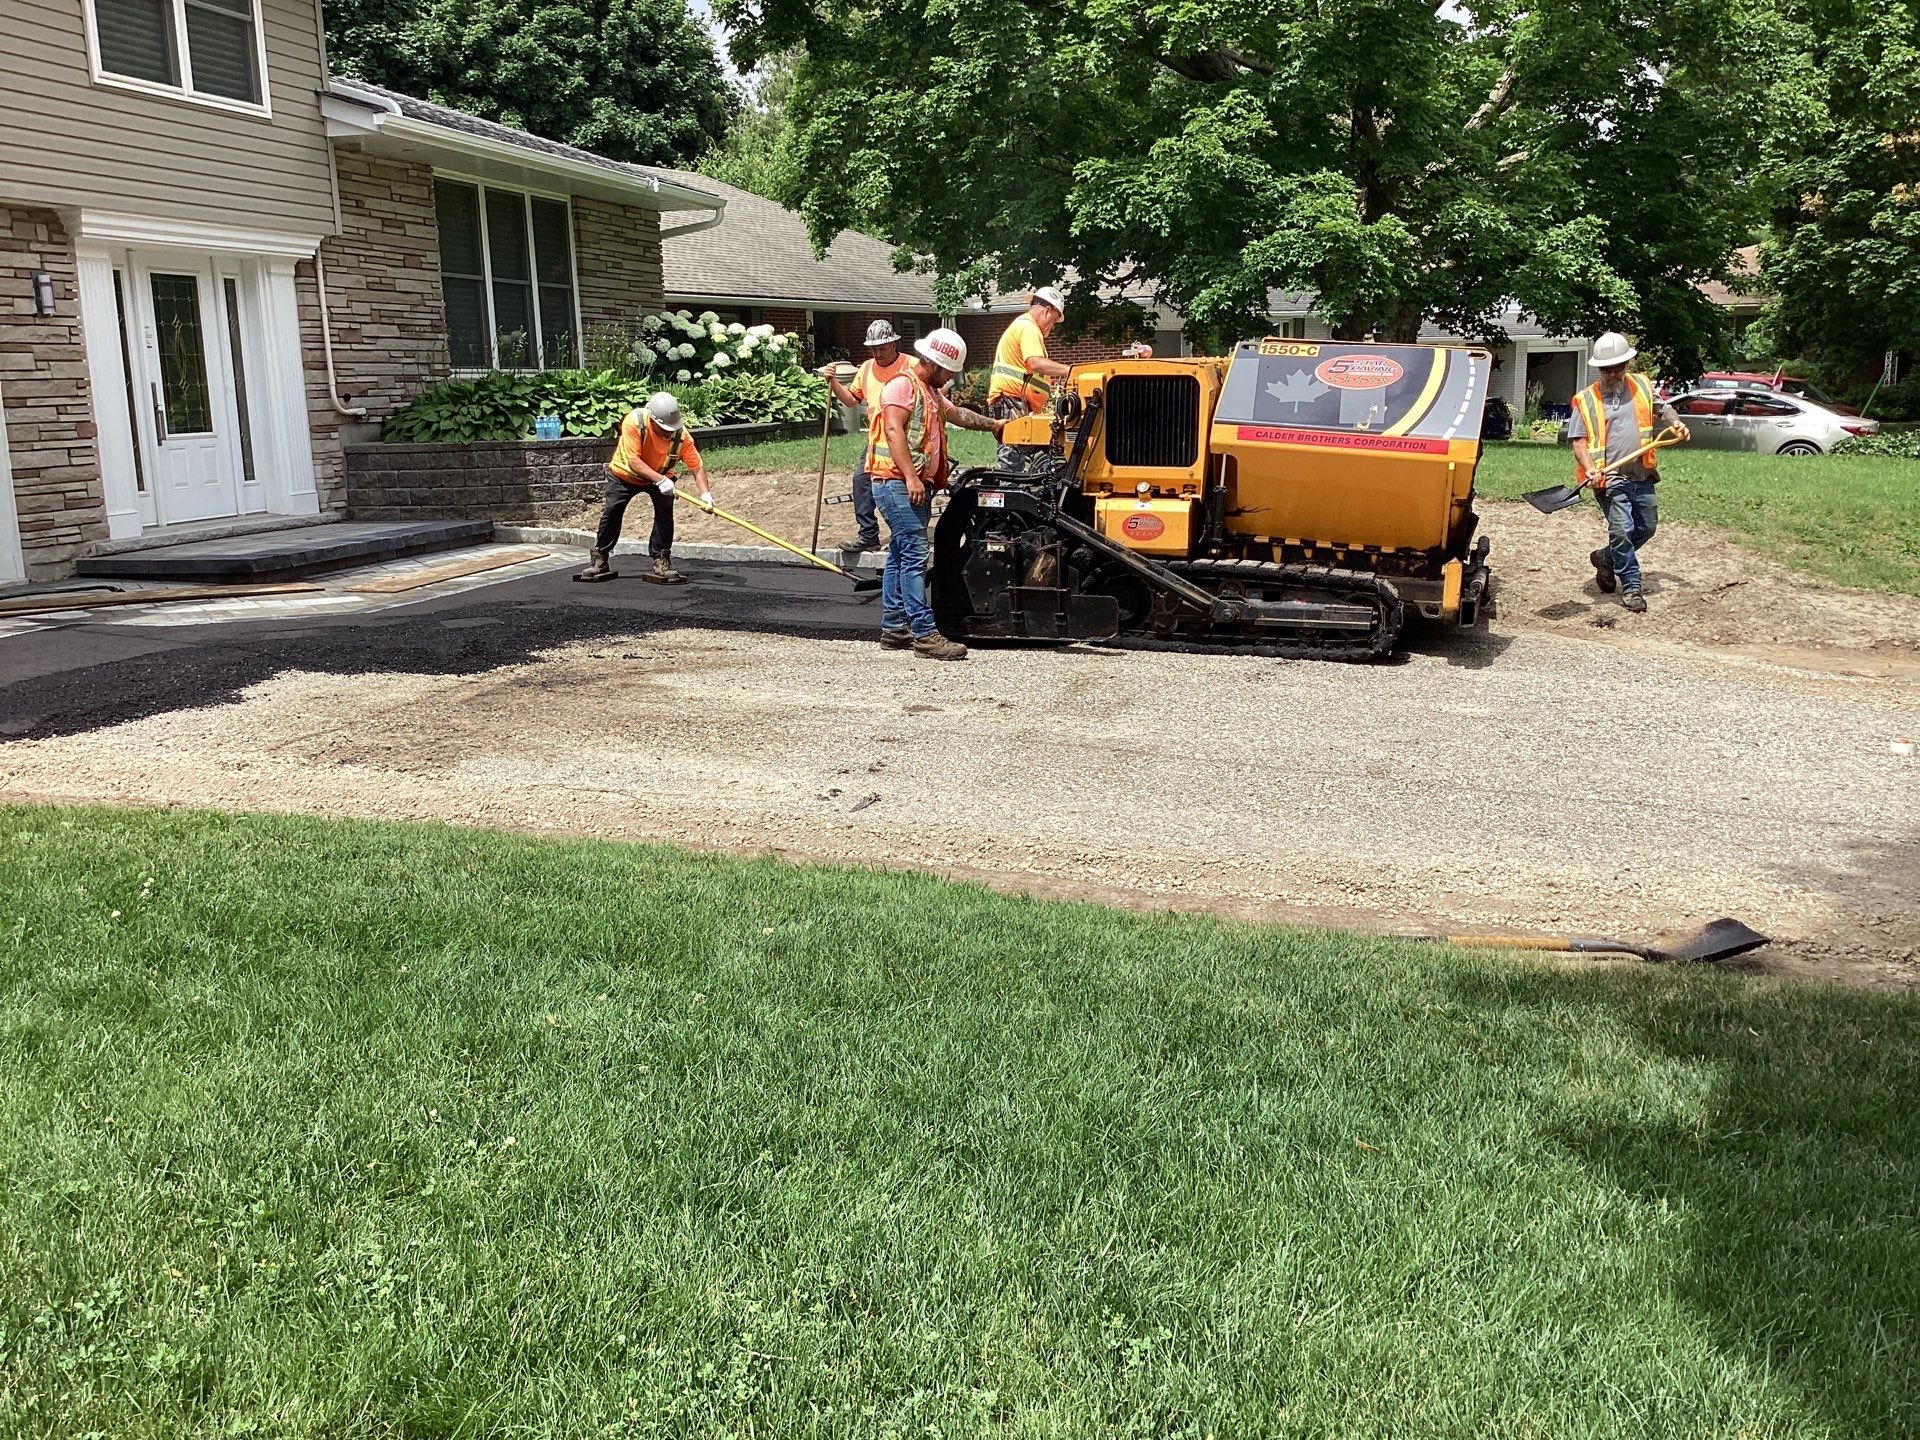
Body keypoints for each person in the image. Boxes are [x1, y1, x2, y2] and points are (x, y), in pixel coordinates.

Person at [867, 327, 1004, 660]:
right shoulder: (902, 386)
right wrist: (911, 478)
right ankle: (924, 634)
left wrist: (995, 425)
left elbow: (958, 415)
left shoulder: (928, 391)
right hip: (897, 484)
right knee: (915, 556)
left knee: (899, 555)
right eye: (948, 371)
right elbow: (893, 430)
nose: (950, 378)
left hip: (905, 484)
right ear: (932, 363)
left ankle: (894, 628)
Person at [1567, 332, 1689, 613]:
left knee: (1646, 527)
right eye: (1606, 369)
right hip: (1608, 478)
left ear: (1627, 364)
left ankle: (1605, 558)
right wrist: (1590, 469)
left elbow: (1663, 409)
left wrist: (1676, 423)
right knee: (1622, 531)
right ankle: (1632, 586)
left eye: (1618, 367)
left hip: (1641, 472)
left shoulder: (1642, 386)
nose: (1613, 373)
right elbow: (1578, 441)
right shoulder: (1585, 400)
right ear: (1599, 369)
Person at [576, 391, 712, 585]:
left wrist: (705, 494)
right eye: (664, 428)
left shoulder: (681, 436)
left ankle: (661, 560)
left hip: (661, 476)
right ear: (652, 420)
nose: (668, 432)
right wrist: (661, 480)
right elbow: (633, 461)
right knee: (612, 511)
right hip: (625, 475)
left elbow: (696, 466)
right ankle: (600, 559)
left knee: (665, 513)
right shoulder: (635, 422)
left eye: (671, 428)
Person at [818, 320, 912, 553]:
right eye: (873, 349)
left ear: (893, 344)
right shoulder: (867, 368)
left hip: (906, 438)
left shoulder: (911, 365)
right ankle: (868, 534)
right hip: (876, 441)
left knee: (900, 486)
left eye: (882, 348)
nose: (877, 353)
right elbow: (852, 400)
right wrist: (833, 383)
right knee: (861, 481)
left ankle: (903, 534)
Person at [985, 286, 1073, 471]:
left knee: (1017, 459)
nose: (1052, 326)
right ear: (1047, 311)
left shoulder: (1023, 326)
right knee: (1012, 462)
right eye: (1054, 320)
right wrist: (1071, 371)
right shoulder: (1029, 327)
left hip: (1015, 402)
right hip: (1012, 402)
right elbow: (1035, 362)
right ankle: (1009, 488)